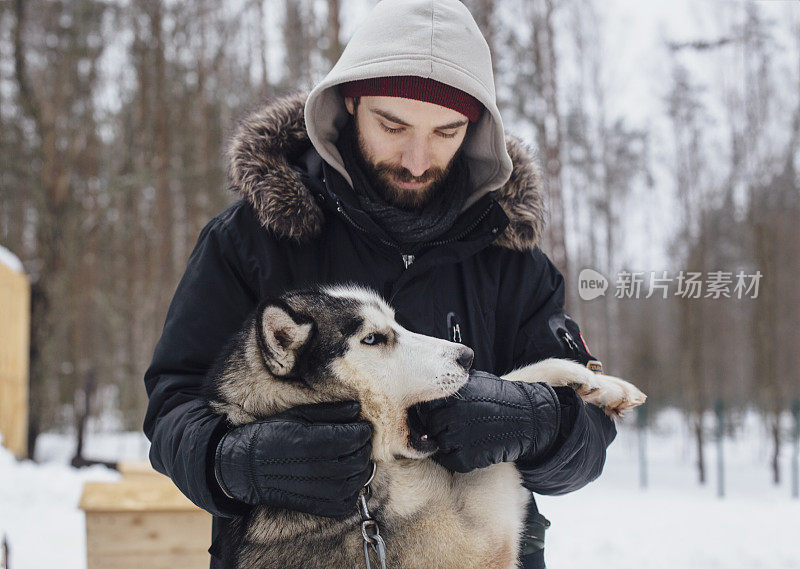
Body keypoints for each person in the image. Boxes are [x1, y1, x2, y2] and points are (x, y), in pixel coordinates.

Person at [143, 1, 617, 568]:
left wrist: (535, 420)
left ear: (476, 130)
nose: (418, 159)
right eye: (393, 126)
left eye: (446, 131)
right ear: (351, 101)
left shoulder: (512, 260)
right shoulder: (251, 238)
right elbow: (175, 402)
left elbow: (589, 435)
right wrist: (234, 462)